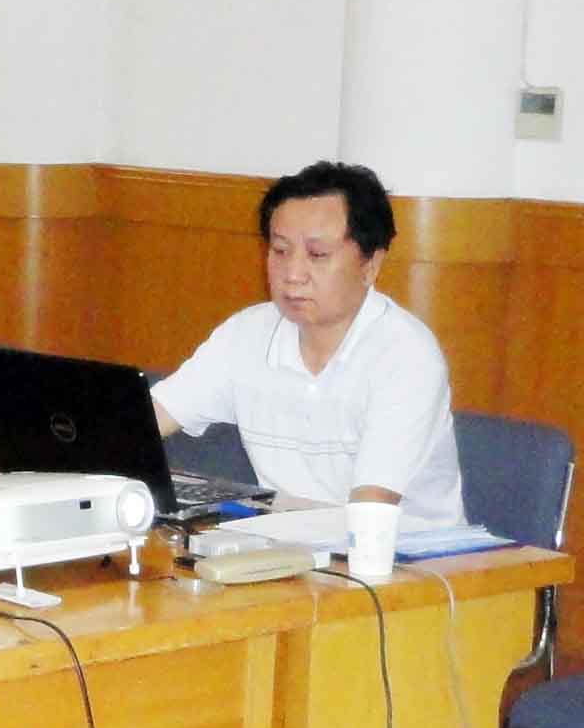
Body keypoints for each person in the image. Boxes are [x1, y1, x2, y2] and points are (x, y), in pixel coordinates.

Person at [149, 159, 467, 528]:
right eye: (280, 251)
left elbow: (371, 513)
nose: (293, 274)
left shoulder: (406, 356)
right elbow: (144, 425)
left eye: (317, 255)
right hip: (288, 545)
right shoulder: (246, 335)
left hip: (408, 555)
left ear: (371, 264)